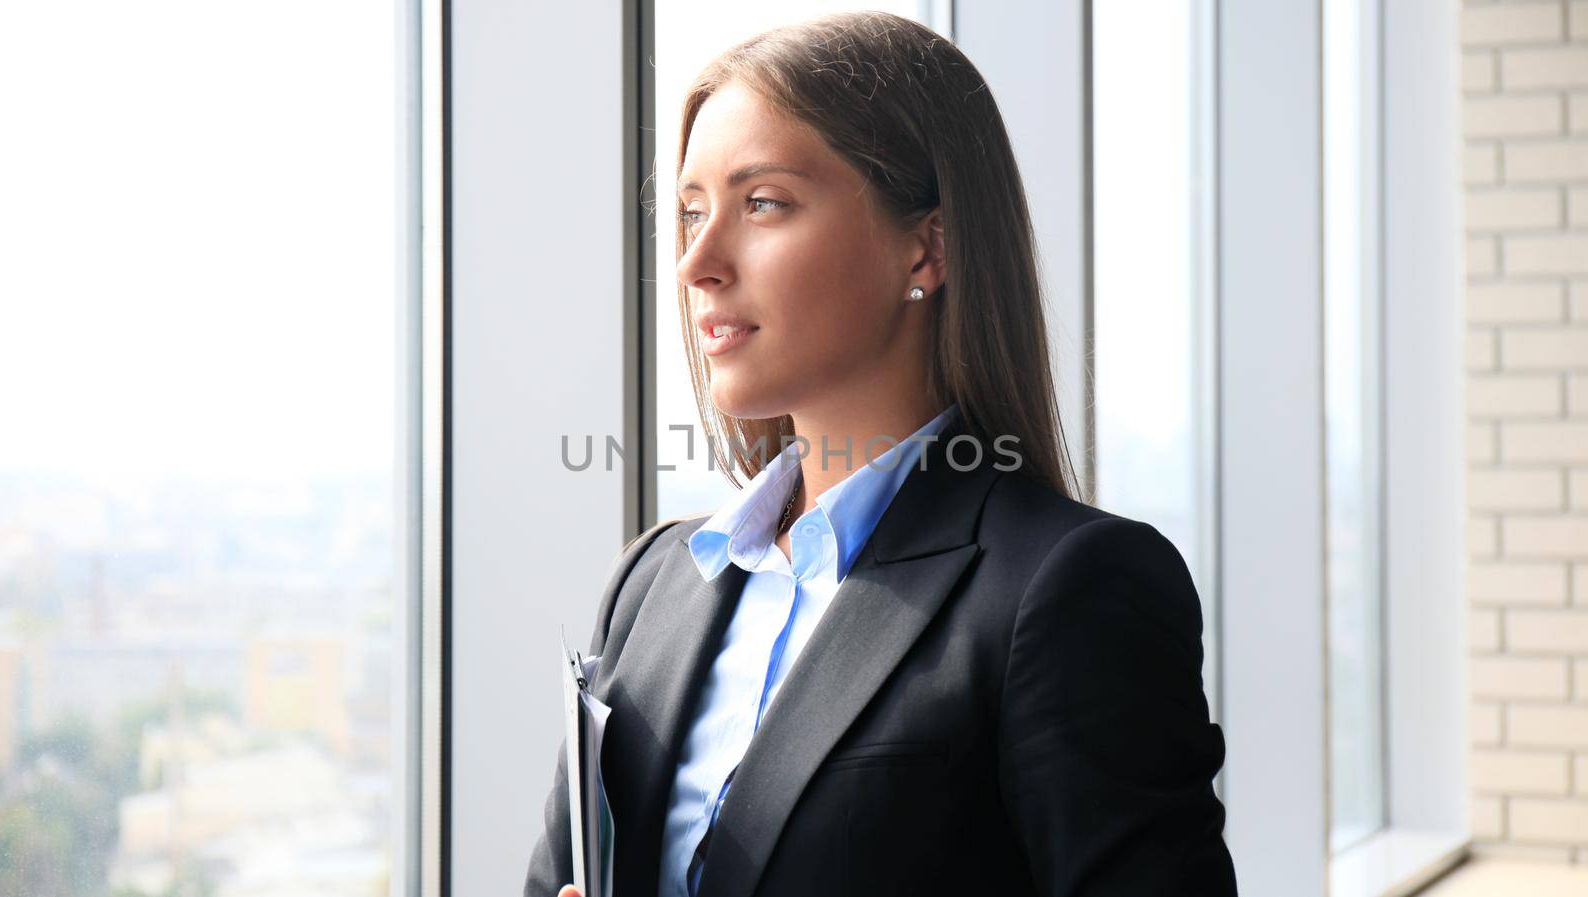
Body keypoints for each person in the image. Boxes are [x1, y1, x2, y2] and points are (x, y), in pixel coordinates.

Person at [528, 11, 1237, 897]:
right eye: (691, 212)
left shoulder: (1069, 587)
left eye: (763, 203)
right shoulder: (652, 585)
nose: (696, 263)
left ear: (927, 246)